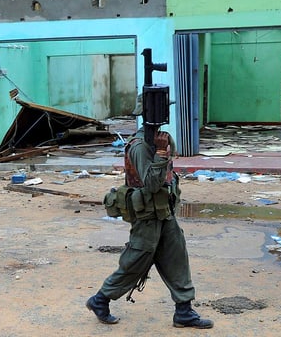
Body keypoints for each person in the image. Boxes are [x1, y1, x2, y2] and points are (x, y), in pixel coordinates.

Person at [86, 95, 213, 329]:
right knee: (135, 262)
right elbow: (152, 184)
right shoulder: (139, 146)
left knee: (177, 259)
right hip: (147, 217)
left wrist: (164, 149)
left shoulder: (160, 140)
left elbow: (167, 177)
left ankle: (184, 311)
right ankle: (100, 300)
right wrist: (161, 153)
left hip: (164, 213)